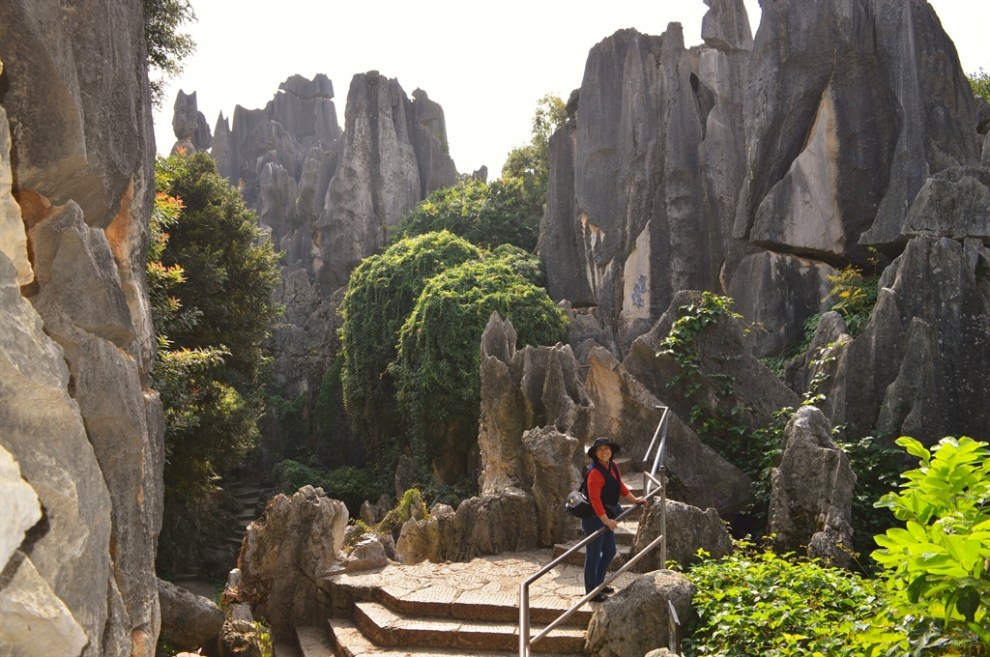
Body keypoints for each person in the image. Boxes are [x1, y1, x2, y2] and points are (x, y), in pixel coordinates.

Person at [581, 436, 646, 602]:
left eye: (606, 448)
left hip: (606, 516)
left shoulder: (613, 466)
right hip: (594, 518)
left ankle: (599, 584)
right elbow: (595, 500)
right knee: (593, 555)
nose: (604, 452)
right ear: (595, 453)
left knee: (610, 551)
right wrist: (606, 520)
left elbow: (621, 487)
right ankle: (591, 592)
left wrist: (635, 500)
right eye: (600, 449)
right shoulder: (594, 472)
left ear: (611, 451)